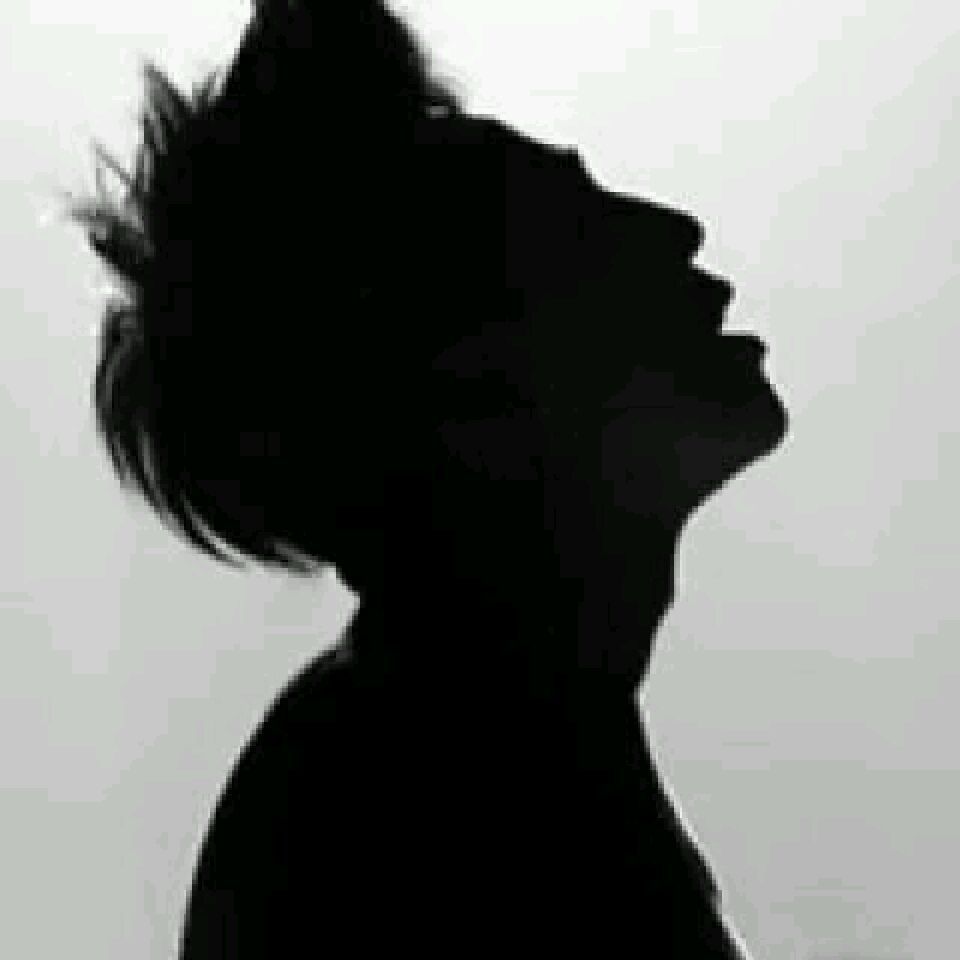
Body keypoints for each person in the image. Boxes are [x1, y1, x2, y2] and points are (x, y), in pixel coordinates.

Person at [65, 1, 788, 955]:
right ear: (472, 386)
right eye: (575, 227)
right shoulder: (406, 819)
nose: (674, 230)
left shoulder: (469, 762)